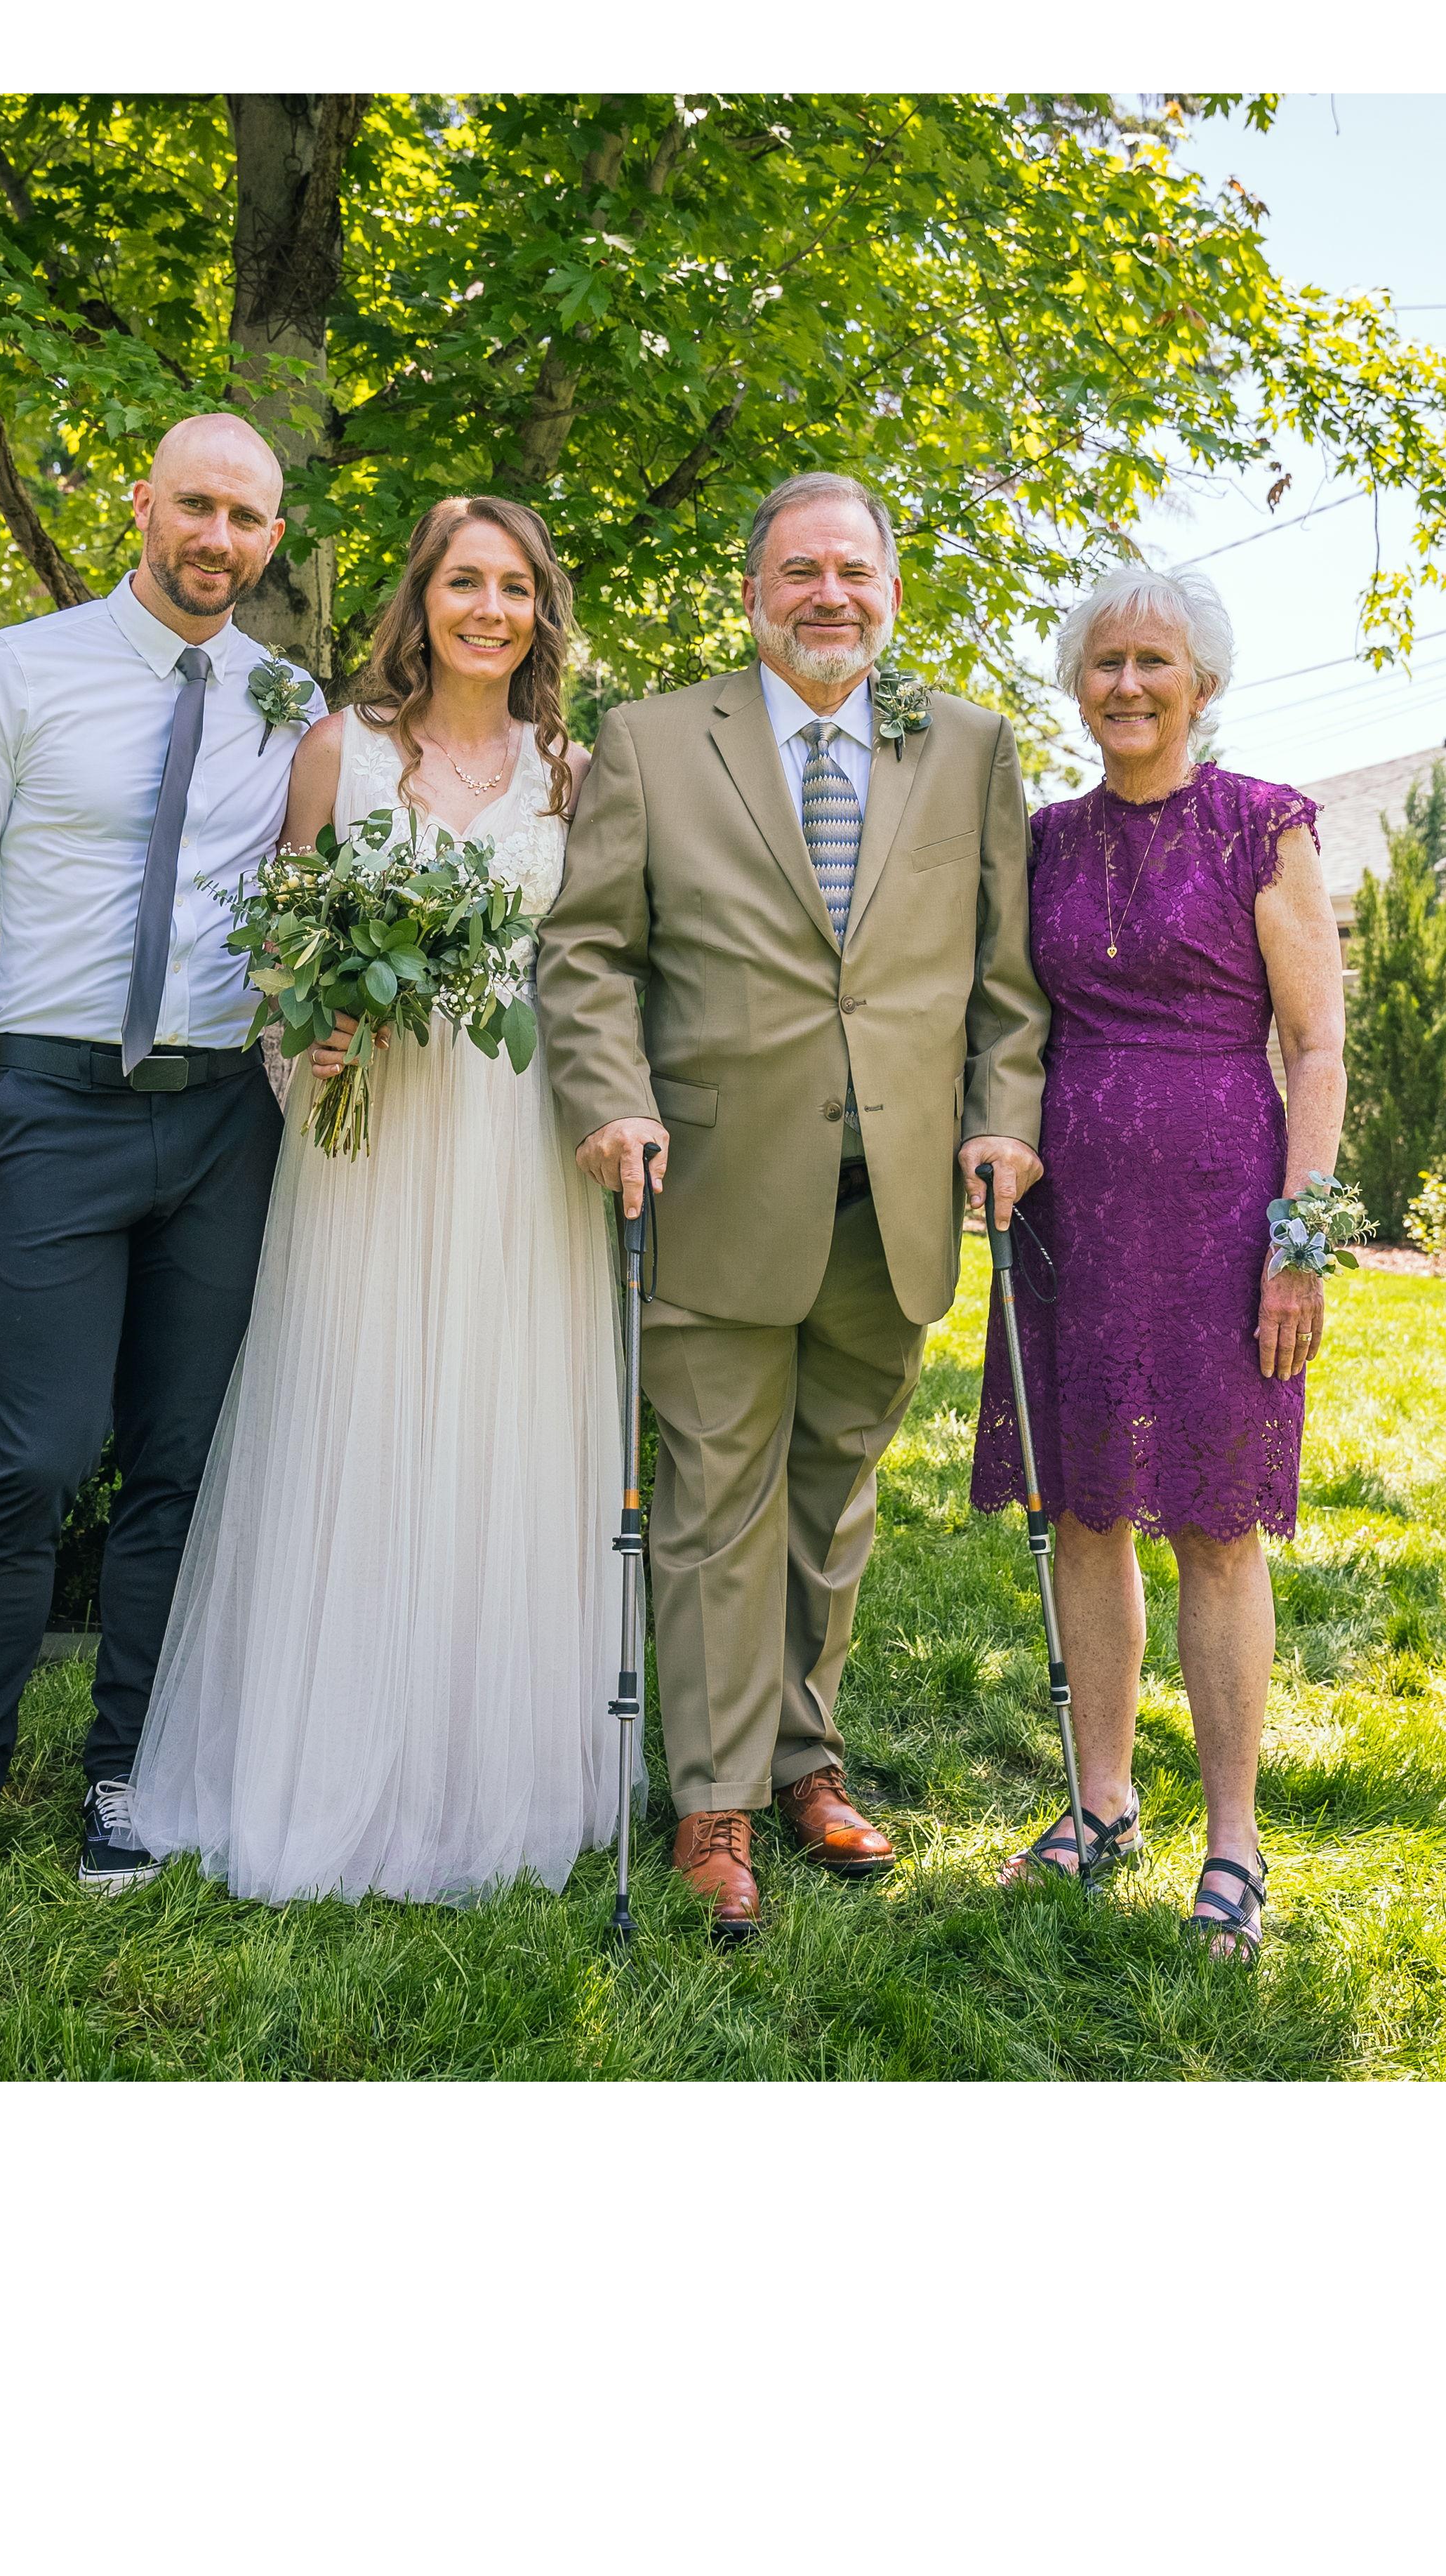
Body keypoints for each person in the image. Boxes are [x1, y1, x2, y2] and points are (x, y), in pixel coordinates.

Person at [538, 470, 1050, 1940]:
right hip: (707, 1181)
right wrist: (606, 1097)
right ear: (750, 590)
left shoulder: (964, 746)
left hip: (893, 1198)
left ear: (890, 589)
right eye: (796, 572)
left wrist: (1000, 1120)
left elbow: (1004, 980)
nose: (828, 595)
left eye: (853, 572)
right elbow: (583, 953)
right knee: (711, 1505)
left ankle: (800, 1755)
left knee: (833, 1501)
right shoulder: (650, 740)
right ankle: (710, 1798)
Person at [131, 497, 623, 1904]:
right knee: (355, 1416)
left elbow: (587, 970)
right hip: (368, 1137)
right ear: (421, 598)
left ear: (540, 610)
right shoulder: (339, 753)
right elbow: (281, 949)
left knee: (501, 1424)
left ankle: (485, 1778)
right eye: (463, 580)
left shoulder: (572, 774)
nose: (488, 607)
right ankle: (325, 1758)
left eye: (514, 586)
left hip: (519, 1138)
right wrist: (313, 1031)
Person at [0, 413, 323, 1911]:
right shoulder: (16, 669)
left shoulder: (288, 701)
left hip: (224, 1117)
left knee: (175, 1463)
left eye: (247, 517)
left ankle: (123, 1767)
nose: (218, 537)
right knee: (37, 1453)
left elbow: (338, 882)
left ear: (272, 536)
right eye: (196, 504)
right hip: (56, 1103)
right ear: (141, 504)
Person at [968, 565, 1346, 1959]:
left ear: (1201, 684)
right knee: (1082, 1510)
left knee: (1212, 1520)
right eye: (1103, 661)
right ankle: (1099, 1799)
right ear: (1078, 684)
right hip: (1066, 1221)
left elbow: (1313, 1047)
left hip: (1218, 1222)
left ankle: (1233, 1839)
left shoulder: (1262, 827)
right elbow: (997, 1018)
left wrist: (1295, 1246)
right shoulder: (1040, 841)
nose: (1125, 684)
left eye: (1152, 662)